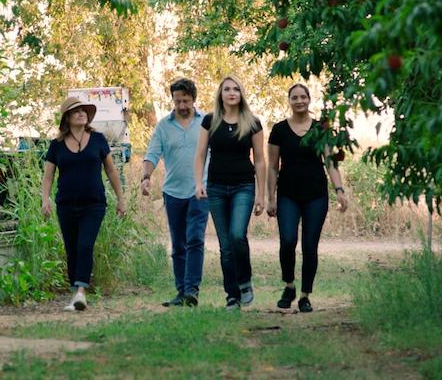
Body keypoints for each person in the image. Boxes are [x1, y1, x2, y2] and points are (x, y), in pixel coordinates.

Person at [266, 84, 348, 313]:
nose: (299, 100)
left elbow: (331, 162)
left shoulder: (321, 129)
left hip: (316, 195)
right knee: (288, 241)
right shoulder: (279, 130)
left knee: (310, 246)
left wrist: (339, 190)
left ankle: (305, 296)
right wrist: (269, 197)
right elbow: (272, 167)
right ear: (289, 101)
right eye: (295, 97)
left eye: (303, 97)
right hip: (287, 195)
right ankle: (289, 285)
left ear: (309, 100)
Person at [41, 96, 126, 311]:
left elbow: (111, 170)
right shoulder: (56, 145)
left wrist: (121, 199)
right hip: (66, 205)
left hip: (94, 204)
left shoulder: (98, 140)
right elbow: (48, 176)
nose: (81, 113)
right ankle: (75, 294)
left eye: (83, 111)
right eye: (76, 111)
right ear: (67, 118)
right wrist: (45, 199)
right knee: (71, 249)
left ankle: (81, 292)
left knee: (85, 245)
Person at [194, 76, 266, 310]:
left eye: (236, 89)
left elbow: (261, 160)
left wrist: (261, 195)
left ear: (241, 93)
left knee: (237, 235)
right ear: (220, 94)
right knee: (225, 246)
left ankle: (244, 281)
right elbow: (200, 154)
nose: (232, 92)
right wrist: (198, 183)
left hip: (243, 187)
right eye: (227, 89)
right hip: (215, 188)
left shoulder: (252, 122)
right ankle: (232, 297)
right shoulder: (209, 121)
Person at [142, 78, 210, 308]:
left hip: (200, 190)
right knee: (178, 243)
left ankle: (192, 290)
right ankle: (181, 291)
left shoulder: (206, 123)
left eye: (186, 101)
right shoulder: (164, 126)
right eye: (178, 100)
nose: (181, 105)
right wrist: (145, 177)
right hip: (173, 192)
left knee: (195, 238)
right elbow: (152, 154)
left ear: (194, 100)